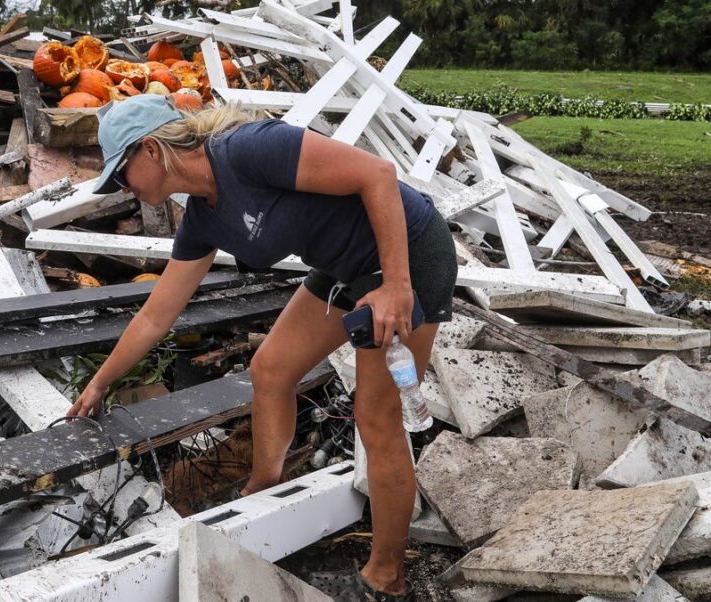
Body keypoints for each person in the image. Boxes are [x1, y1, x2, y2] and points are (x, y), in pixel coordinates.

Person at [65, 94, 457, 601]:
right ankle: (262, 494)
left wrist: (398, 286)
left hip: (410, 250)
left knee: (376, 416)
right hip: (345, 268)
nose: (125, 189)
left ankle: (387, 577)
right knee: (270, 369)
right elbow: (156, 316)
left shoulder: (247, 149)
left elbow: (378, 174)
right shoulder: (201, 221)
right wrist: (100, 383)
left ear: (150, 151)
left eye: (121, 176)